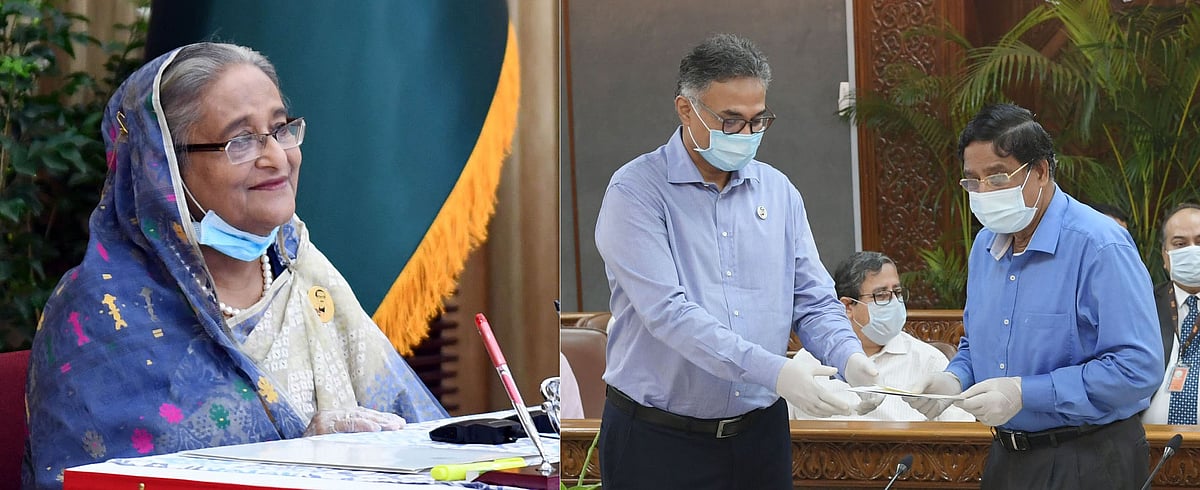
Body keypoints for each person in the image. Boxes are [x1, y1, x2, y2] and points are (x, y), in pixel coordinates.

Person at [23, 43, 446, 489]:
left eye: (281, 129)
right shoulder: (102, 314)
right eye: (240, 141)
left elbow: (423, 438)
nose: (277, 158)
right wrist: (302, 459)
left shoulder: (301, 269)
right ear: (163, 168)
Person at [594, 34, 877, 489]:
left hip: (760, 437)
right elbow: (669, 314)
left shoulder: (779, 191)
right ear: (686, 110)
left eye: (758, 120)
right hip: (659, 439)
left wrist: (849, 356)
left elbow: (813, 299)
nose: (746, 135)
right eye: (730, 121)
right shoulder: (635, 192)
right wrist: (776, 371)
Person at [906, 104, 1162, 489]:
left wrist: (1026, 393)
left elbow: (1137, 367)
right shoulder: (985, 247)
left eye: (997, 178)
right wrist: (953, 380)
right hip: (1007, 456)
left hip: (1088, 457)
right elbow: (978, 345)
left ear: (1040, 171)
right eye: (972, 181)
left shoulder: (1099, 245)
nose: (983, 192)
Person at [789, 251, 973, 422]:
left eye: (898, 293)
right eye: (882, 295)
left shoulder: (929, 361)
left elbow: (961, 434)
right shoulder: (806, 362)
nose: (894, 302)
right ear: (847, 307)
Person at [1144, 203, 1200, 424]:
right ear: (1165, 257)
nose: (1192, 250)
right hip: (1147, 441)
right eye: (1180, 244)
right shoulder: (1143, 306)